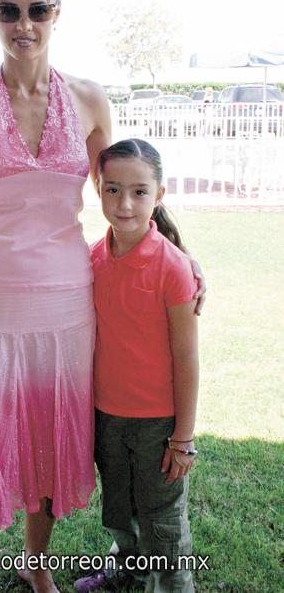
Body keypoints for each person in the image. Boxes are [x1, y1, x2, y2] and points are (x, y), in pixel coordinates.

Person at [0, 0, 205, 593]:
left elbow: (120, 196)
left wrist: (180, 251)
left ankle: (35, 563)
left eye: (37, 9)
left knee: (51, 436)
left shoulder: (88, 99)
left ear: (57, 13)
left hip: (67, 305)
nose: (23, 23)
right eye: (9, 9)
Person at [75, 139, 199, 593]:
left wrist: (182, 439)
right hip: (106, 415)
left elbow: (187, 358)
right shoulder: (91, 258)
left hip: (157, 424)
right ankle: (125, 571)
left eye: (139, 192)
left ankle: (173, 585)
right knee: (120, 508)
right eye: (112, 190)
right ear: (99, 190)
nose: (124, 204)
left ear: (159, 195)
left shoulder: (172, 267)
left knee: (161, 521)